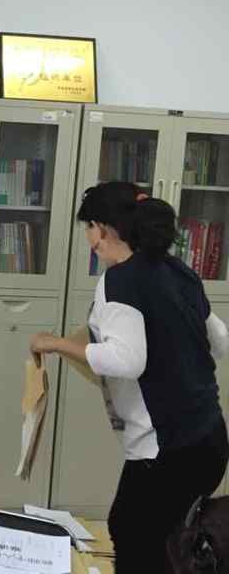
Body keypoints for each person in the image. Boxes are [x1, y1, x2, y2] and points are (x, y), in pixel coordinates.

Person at [29, 182, 229, 572]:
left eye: (90, 227)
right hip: (210, 440)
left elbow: (127, 360)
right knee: (172, 540)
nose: (89, 239)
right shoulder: (177, 270)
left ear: (105, 228)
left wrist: (56, 344)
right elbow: (219, 340)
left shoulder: (120, 280)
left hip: (166, 448)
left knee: (133, 532)